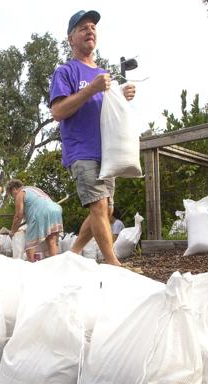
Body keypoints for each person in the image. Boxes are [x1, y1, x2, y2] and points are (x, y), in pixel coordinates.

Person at [49, 10, 135, 266]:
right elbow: (58, 111)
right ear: (70, 39)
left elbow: (105, 109)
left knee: (106, 211)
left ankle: (72, 254)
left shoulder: (103, 75)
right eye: (82, 28)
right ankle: (113, 264)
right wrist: (93, 89)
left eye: (93, 28)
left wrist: (119, 94)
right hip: (81, 151)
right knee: (98, 207)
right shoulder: (65, 72)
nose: (90, 31)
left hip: (107, 153)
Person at [5, 179, 63, 262]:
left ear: (14, 189)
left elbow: (18, 216)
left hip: (40, 213)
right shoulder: (34, 189)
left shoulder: (20, 193)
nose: (13, 197)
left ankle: (31, 265)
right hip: (55, 209)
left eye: (11, 195)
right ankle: (55, 265)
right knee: (52, 241)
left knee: (30, 244)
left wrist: (13, 231)